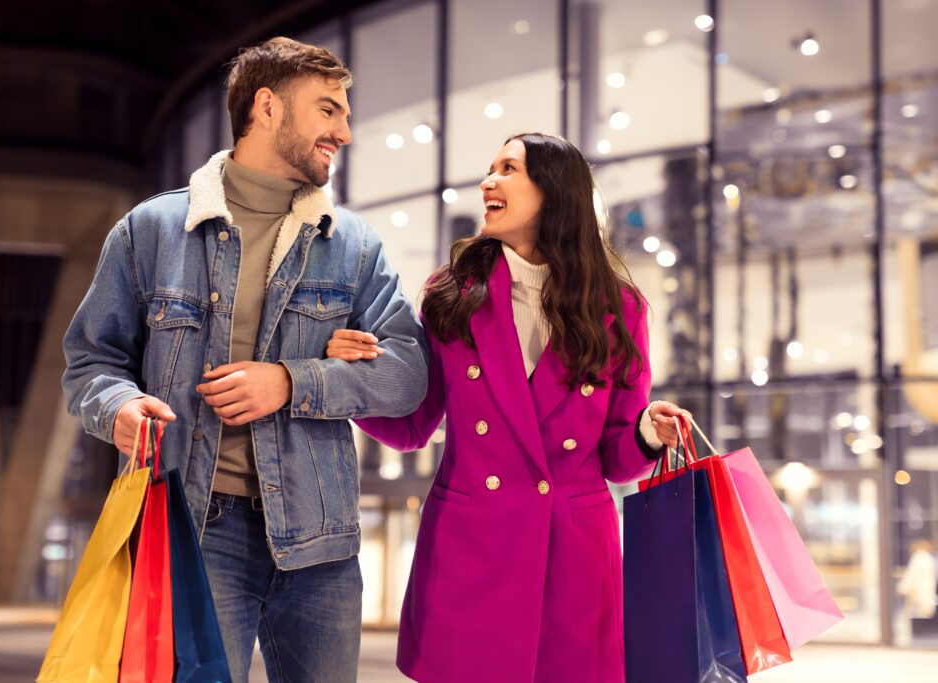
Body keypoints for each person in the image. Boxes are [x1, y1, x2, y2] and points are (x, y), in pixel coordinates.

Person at [62, 37, 428, 683]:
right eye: (328, 110)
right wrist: (117, 406)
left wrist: (294, 380)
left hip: (321, 540)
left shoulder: (353, 245)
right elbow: (91, 362)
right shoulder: (151, 230)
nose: (344, 131)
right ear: (266, 107)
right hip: (195, 531)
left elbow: (407, 375)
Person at [326, 133, 690, 682]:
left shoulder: (619, 308)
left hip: (573, 556)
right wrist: (352, 379)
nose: (487, 181)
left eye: (508, 169)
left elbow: (617, 459)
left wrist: (647, 431)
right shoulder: (452, 294)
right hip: (473, 549)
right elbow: (413, 425)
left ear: (554, 191)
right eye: (490, 168)